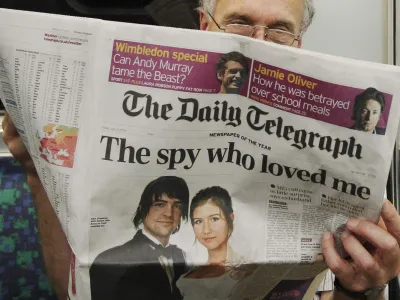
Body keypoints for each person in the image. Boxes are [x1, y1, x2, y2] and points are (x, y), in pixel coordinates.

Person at [2, 0, 400, 299]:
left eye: (279, 30)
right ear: (202, 25)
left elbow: (332, 292)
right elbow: (71, 290)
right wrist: (39, 173)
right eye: (240, 23)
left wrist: (360, 286)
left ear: (299, 41)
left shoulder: (343, 159)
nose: (258, 44)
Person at [89, 176, 190, 300]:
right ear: (143, 209)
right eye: (159, 204)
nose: (169, 213)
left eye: (177, 206)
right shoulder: (109, 260)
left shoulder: (182, 257)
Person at [177, 186, 253, 299]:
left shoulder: (248, 269)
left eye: (214, 219)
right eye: (198, 221)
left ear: (230, 219)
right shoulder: (185, 276)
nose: (206, 230)